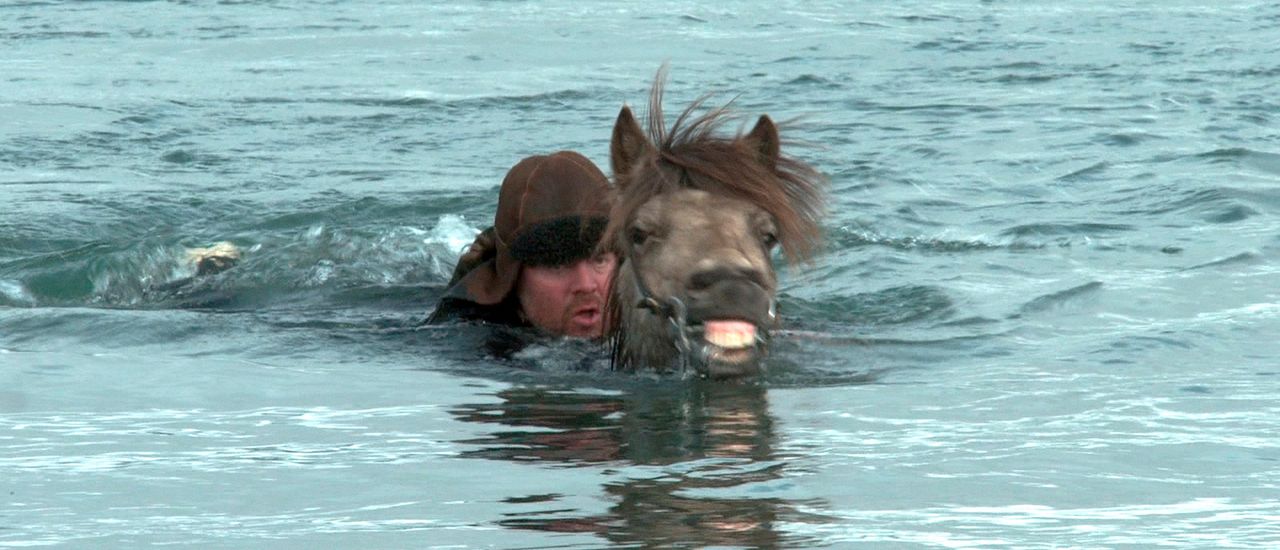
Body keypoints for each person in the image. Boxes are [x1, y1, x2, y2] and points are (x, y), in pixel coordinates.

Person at [426, 151, 617, 339]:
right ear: (513, 281)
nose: (586, 285)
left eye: (599, 260)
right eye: (558, 264)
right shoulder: (469, 340)